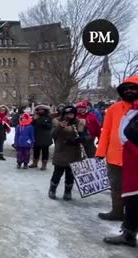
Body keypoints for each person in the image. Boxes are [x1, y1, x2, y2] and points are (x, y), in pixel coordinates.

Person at [96, 76, 138, 221]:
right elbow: (106, 131)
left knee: (134, 189)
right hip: (114, 156)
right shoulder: (113, 109)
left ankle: (132, 217)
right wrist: (100, 152)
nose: (129, 92)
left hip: (134, 157)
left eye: (133, 88)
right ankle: (117, 211)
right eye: (125, 89)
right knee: (116, 186)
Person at [104, 98, 138, 247]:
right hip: (123, 156)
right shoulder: (116, 108)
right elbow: (108, 130)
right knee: (127, 195)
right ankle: (128, 232)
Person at [48, 106, 87, 201]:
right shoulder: (57, 121)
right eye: (68, 114)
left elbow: (86, 137)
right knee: (57, 173)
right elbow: (52, 134)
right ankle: (52, 190)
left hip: (74, 152)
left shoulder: (79, 122)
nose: (70, 116)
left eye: (72, 114)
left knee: (70, 175)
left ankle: (67, 191)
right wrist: (60, 127)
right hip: (61, 151)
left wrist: (80, 137)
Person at [30, 105, 53, 170]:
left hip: (45, 137)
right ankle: (35, 163)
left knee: (45, 151)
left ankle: (44, 165)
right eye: (39, 109)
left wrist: (40, 122)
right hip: (37, 135)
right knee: (36, 150)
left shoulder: (48, 117)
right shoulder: (35, 116)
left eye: (42, 109)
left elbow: (50, 126)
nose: (41, 110)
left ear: (45, 110)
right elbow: (31, 124)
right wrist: (34, 120)